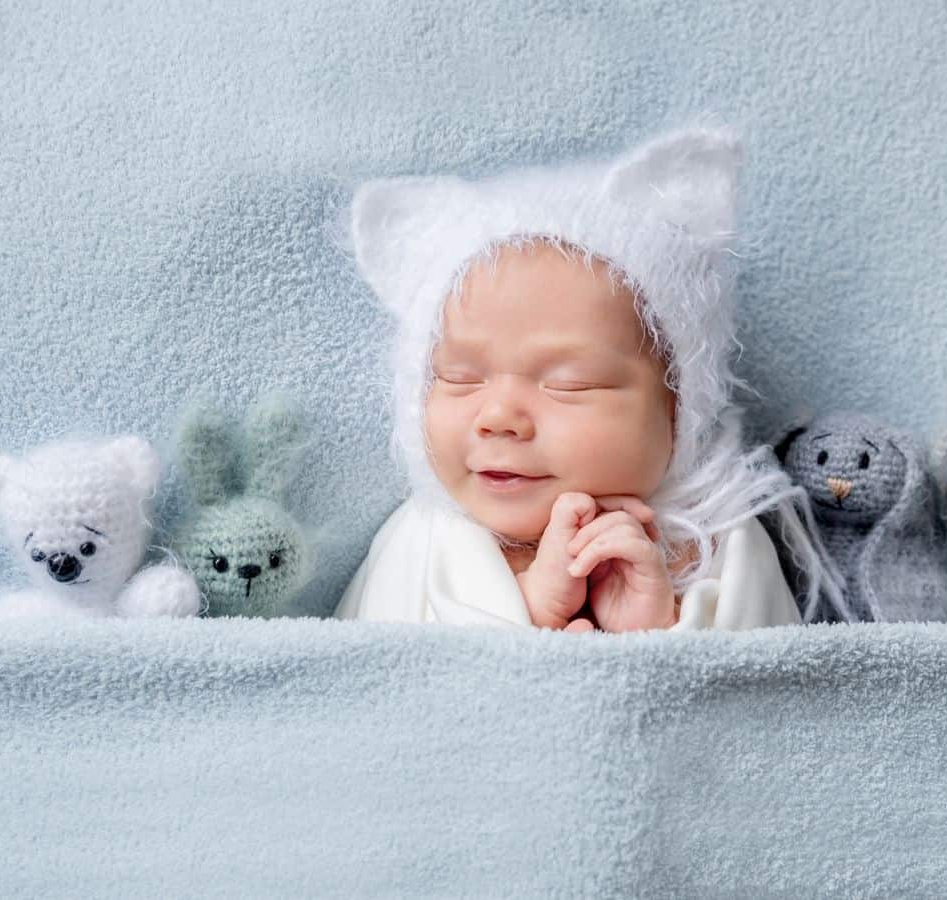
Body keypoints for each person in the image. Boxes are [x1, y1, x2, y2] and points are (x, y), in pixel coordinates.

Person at [334, 126, 843, 631]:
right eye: (460, 378)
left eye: (569, 384)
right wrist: (530, 614)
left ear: (679, 409)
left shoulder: (718, 547)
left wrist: (660, 629)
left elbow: (772, 695)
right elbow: (377, 691)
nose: (497, 417)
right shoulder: (424, 544)